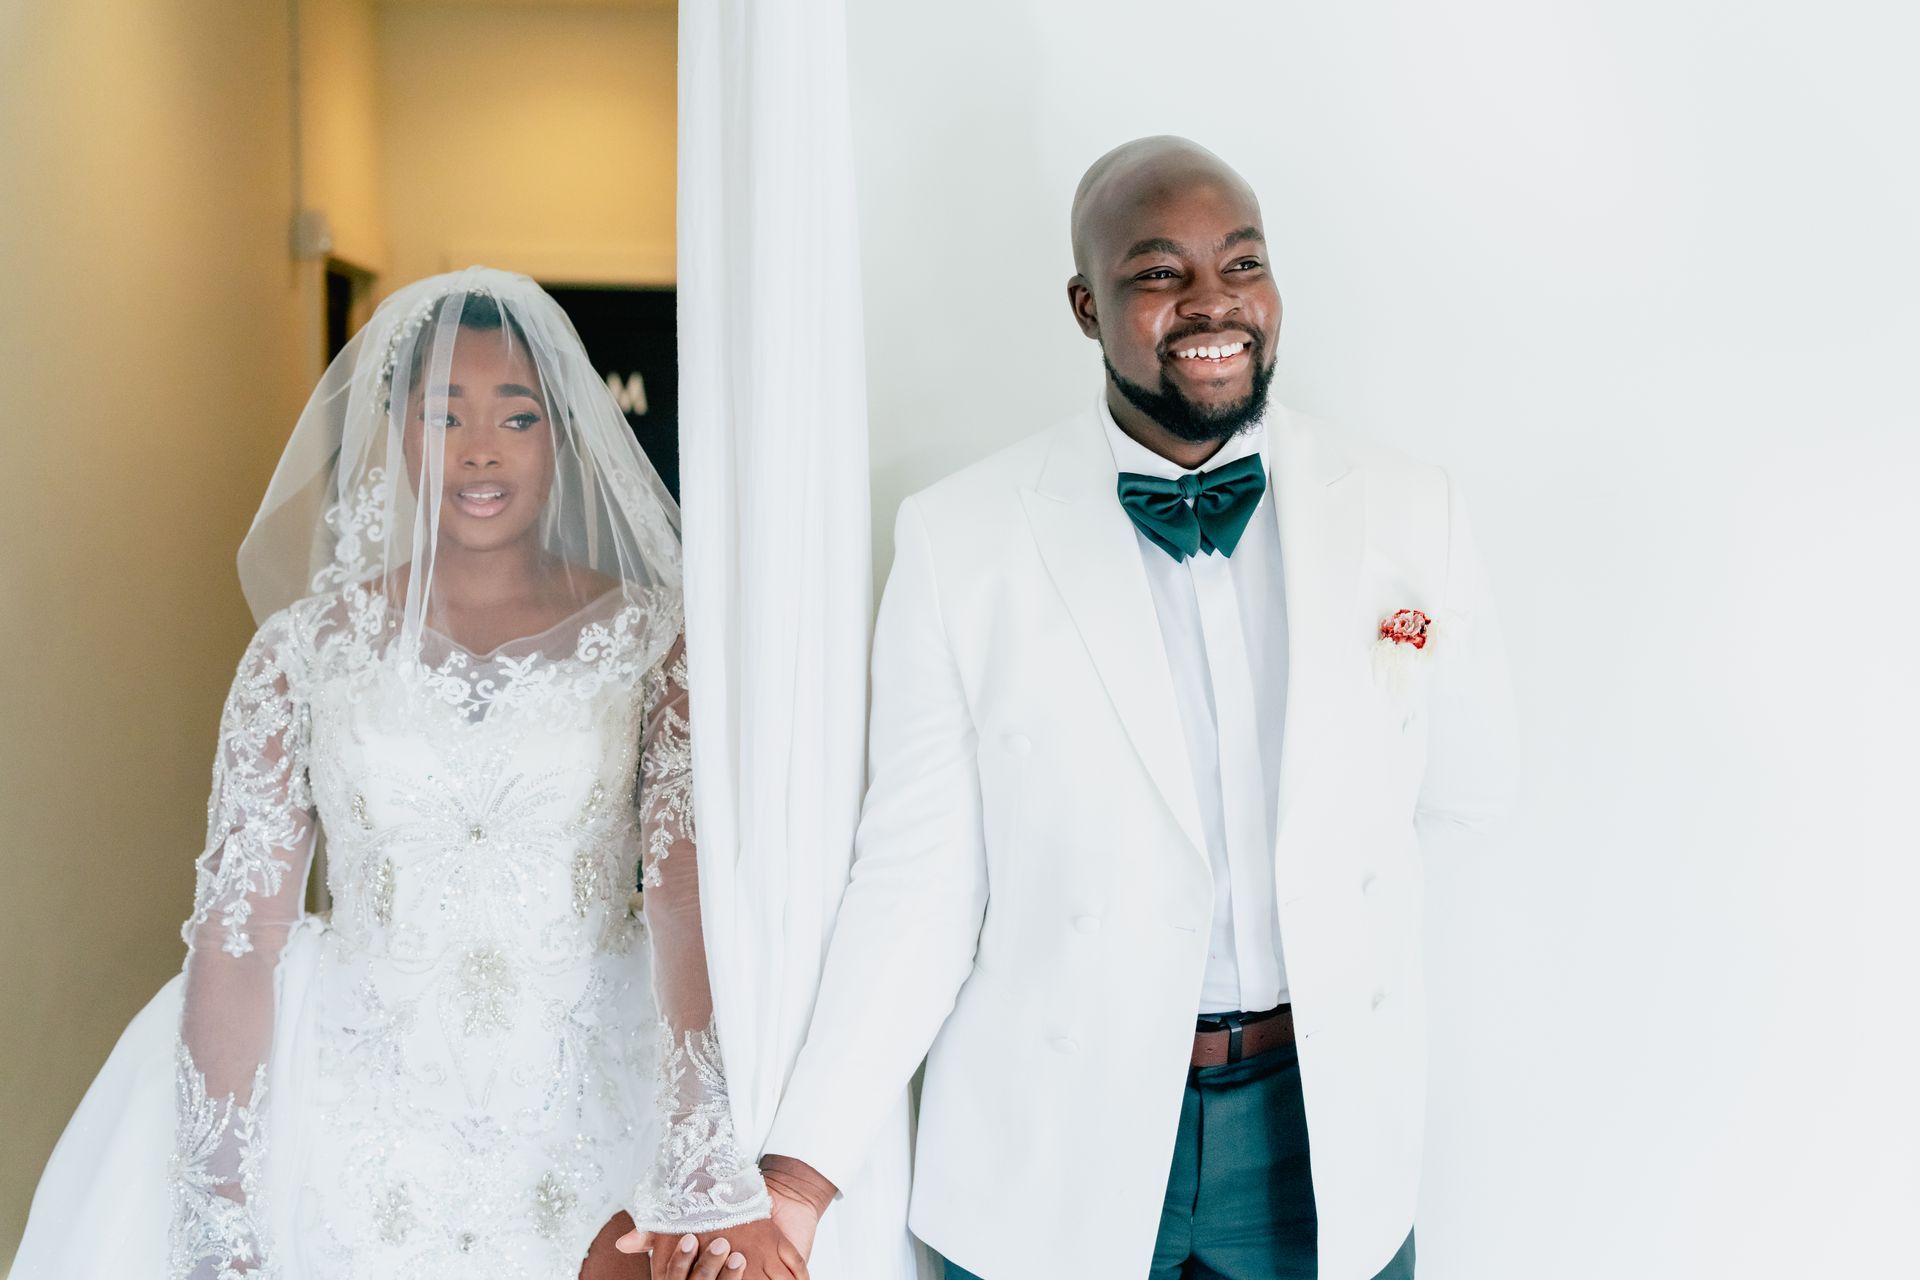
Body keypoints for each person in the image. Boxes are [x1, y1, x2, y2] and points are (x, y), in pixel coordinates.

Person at [726, 138, 1518, 1278]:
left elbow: (1461, 797)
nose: (1213, 303)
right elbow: (918, 878)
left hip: (1322, 1131)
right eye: (1158, 273)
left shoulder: (1410, 511)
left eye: (1241, 263)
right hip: (1050, 1130)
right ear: (1086, 305)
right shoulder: (962, 542)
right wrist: (798, 1176)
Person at [12, 268, 807, 1280]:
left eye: (517, 415)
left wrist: (699, 1133)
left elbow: (685, 896)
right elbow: (237, 932)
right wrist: (220, 1215)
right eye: (444, 415)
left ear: (561, 434)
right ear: (397, 436)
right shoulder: (300, 652)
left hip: (586, 1098)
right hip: (345, 1105)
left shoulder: (652, 642)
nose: (480, 448)